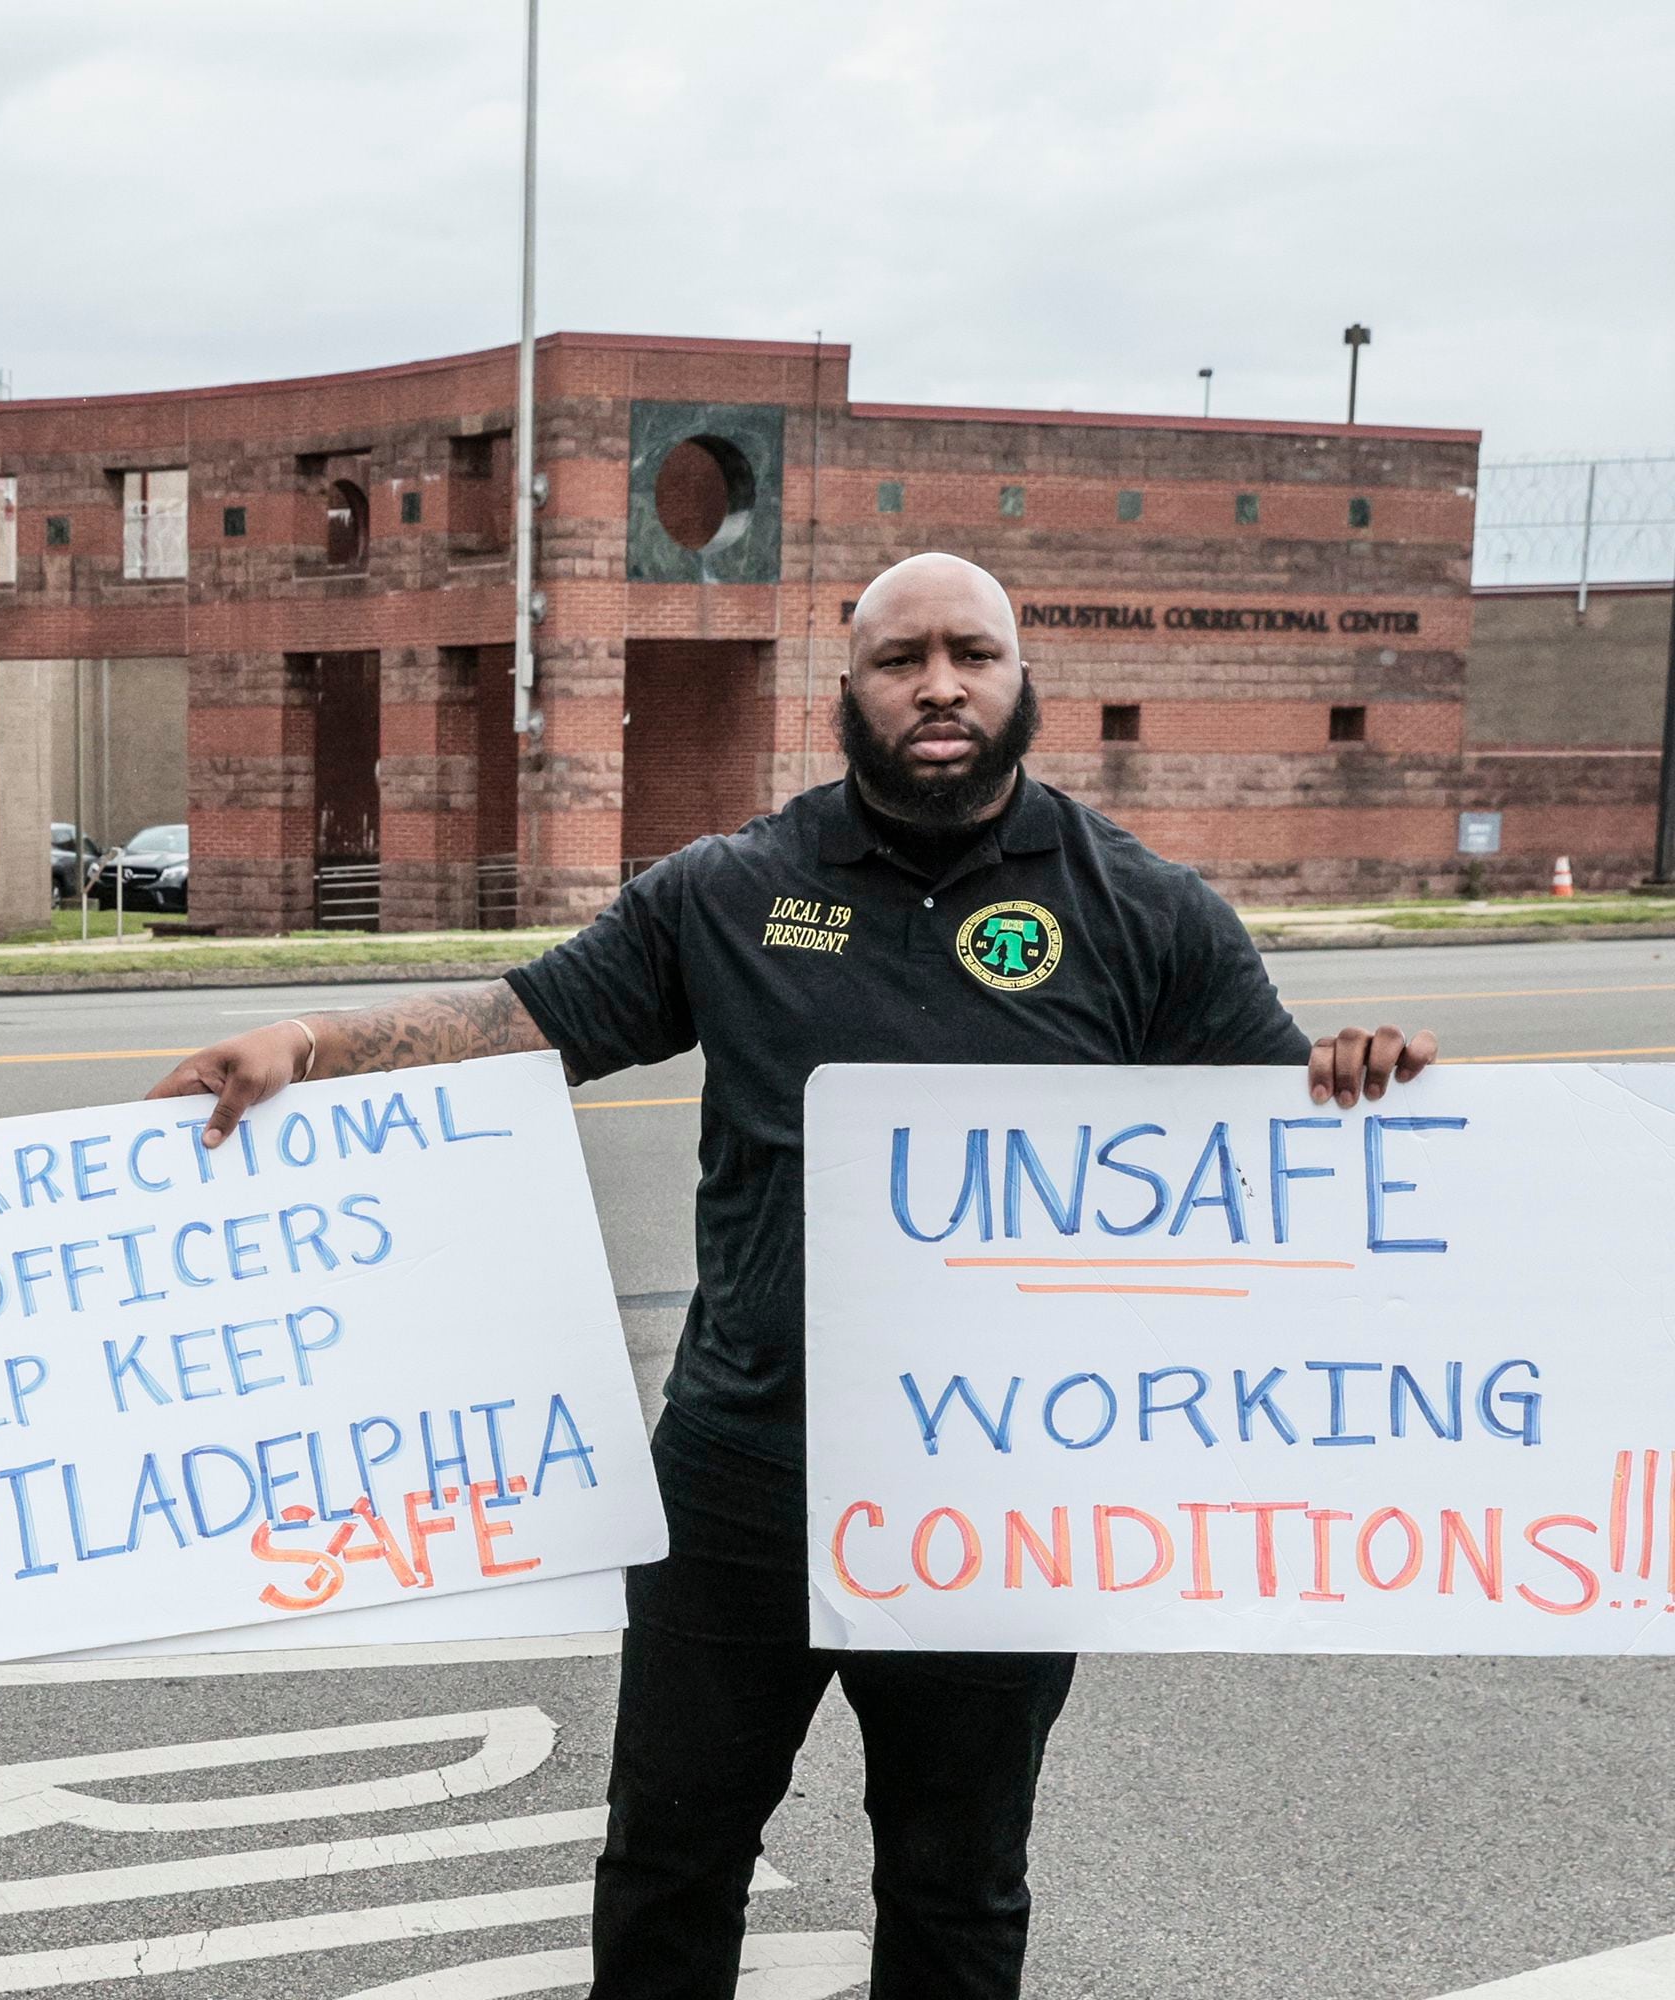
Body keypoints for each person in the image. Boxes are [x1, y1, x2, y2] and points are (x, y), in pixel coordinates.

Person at [141, 552, 1438, 1997]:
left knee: (956, 1884)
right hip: (744, 1476)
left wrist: (1353, 1078)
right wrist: (307, 1048)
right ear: (848, 695)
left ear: (1023, 682)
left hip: (996, 1495)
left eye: (973, 653)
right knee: (669, 1857)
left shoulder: (1147, 912)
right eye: (903, 659)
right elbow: (532, 1017)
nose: (940, 683)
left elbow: (1279, 1168)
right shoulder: (737, 889)